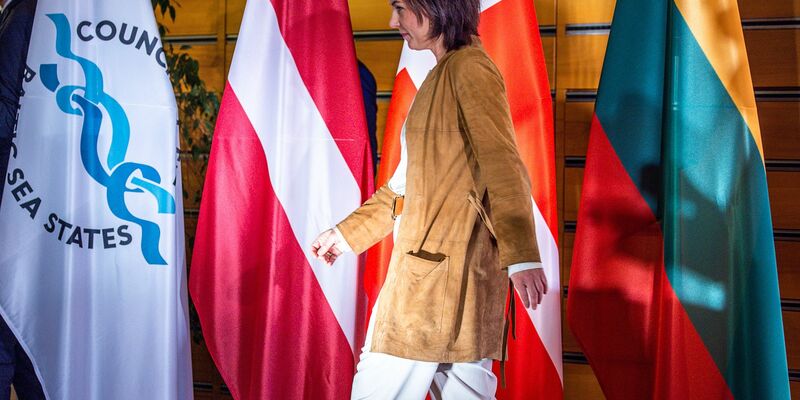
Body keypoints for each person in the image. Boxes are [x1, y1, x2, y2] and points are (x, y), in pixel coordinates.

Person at [311, 0, 548, 398]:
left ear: (437, 7)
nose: (393, 21)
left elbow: (503, 164)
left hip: (429, 287)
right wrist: (345, 235)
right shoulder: (448, 73)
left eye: (401, 8)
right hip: (451, 281)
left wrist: (523, 256)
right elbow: (403, 189)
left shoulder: (468, 69)